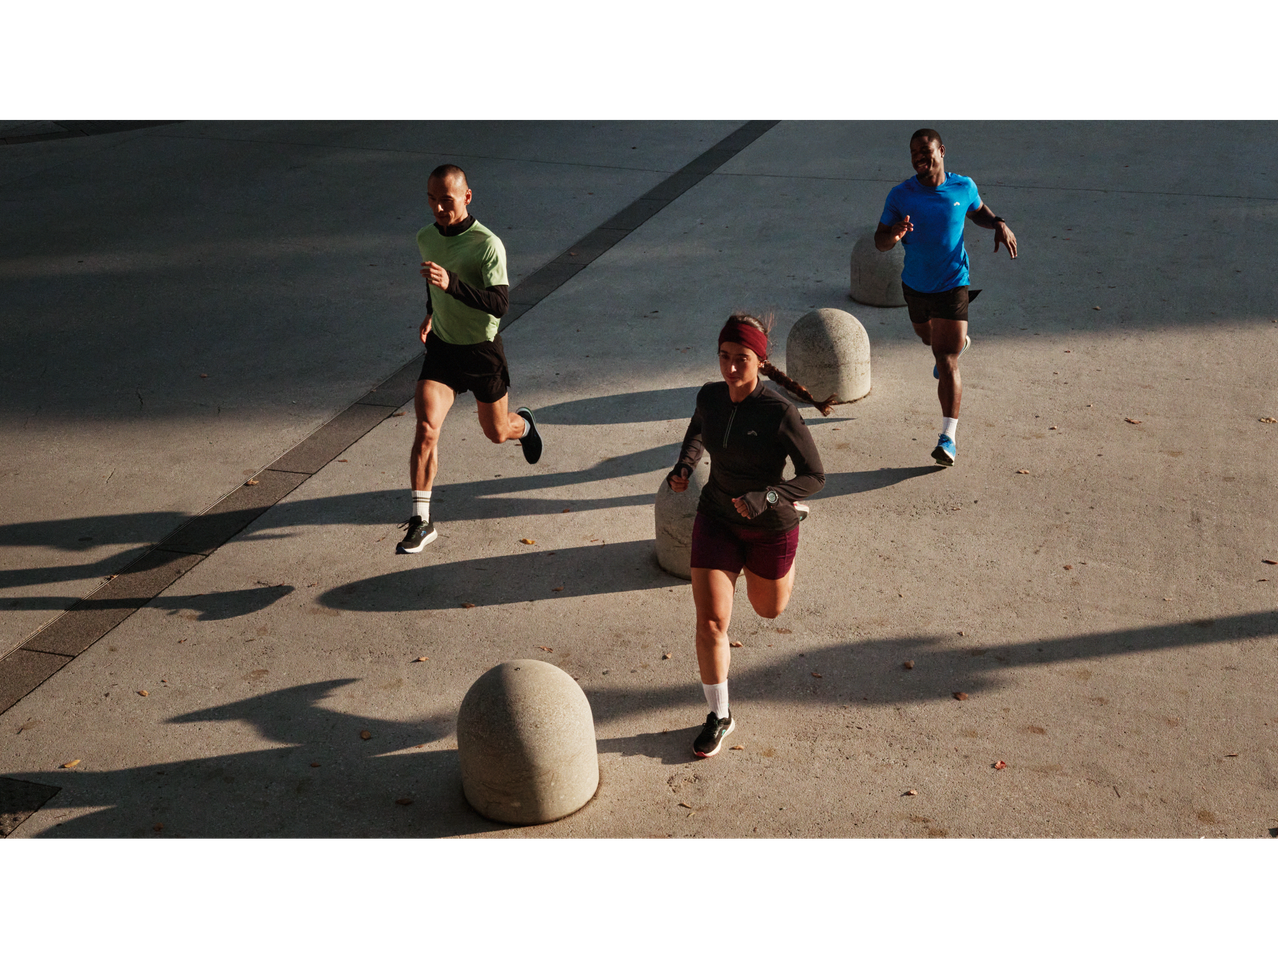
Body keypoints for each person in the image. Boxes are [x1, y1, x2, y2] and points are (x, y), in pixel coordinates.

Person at [667, 315, 825, 758]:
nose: (731, 368)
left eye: (741, 360)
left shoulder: (779, 413)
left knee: (768, 609)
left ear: (760, 361)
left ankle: (795, 523)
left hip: (769, 524)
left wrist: (772, 496)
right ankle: (719, 715)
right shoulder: (711, 397)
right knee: (712, 622)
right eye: (724, 357)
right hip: (716, 516)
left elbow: (815, 475)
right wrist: (684, 466)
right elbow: (698, 429)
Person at [398, 164, 543, 554]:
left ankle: (524, 427)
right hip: (443, 348)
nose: (438, 208)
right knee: (426, 426)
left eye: (446, 199)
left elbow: (500, 303)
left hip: (481, 351)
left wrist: (453, 284)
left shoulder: (487, 244)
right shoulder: (425, 237)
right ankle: (421, 520)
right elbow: (435, 285)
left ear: (467, 196)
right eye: (431, 199)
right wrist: (432, 311)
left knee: (496, 433)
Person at [875, 128, 1018, 467]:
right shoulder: (900, 195)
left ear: (941, 150)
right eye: (913, 152)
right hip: (915, 285)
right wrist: (892, 236)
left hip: (954, 284)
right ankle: (956, 344)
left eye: (924, 150)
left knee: (946, 359)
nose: (918, 157)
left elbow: (977, 210)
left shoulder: (963, 186)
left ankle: (948, 438)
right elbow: (879, 241)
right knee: (926, 337)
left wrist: (998, 222)